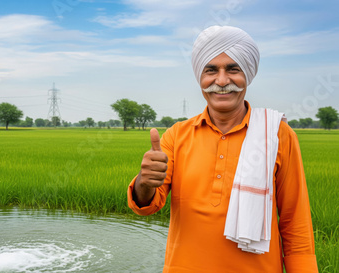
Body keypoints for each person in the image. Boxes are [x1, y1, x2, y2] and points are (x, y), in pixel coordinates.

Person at [127, 25, 318, 273]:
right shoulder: (177, 135)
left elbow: (295, 222)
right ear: (200, 77)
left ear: (247, 74)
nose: (222, 81)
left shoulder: (278, 135)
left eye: (232, 69)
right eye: (211, 70)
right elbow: (147, 205)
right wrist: (145, 181)